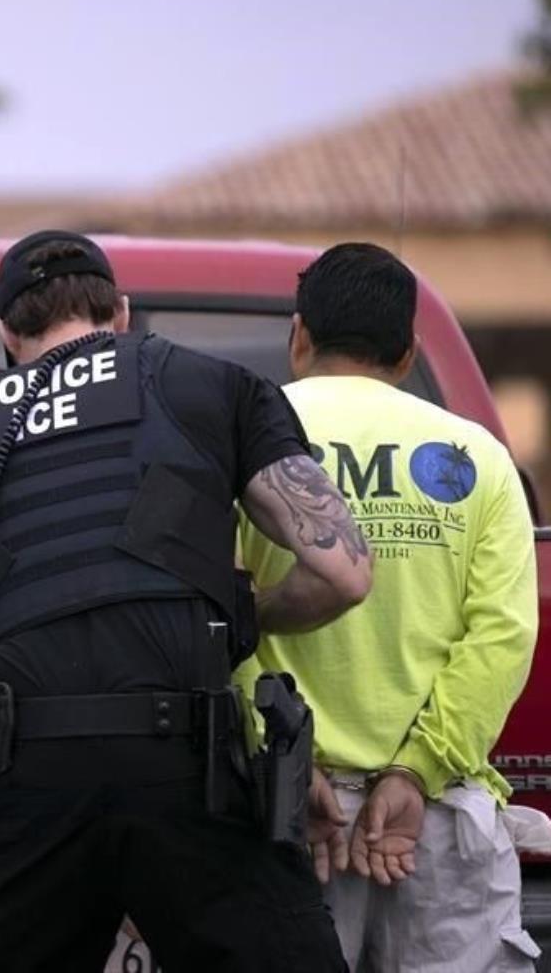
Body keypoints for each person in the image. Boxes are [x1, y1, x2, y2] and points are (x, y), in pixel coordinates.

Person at [0, 229, 372, 973]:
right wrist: (245, 618)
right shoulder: (210, 385)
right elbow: (344, 573)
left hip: (28, 784)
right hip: (186, 769)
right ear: (119, 313)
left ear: (4, 333)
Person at [237, 242, 540, 971]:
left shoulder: (240, 443)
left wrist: (281, 754)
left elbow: (212, 617)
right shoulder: (479, 457)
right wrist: (418, 769)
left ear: (299, 336)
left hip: (285, 813)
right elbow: (504, 634)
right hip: (433, 824)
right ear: (407, 354)